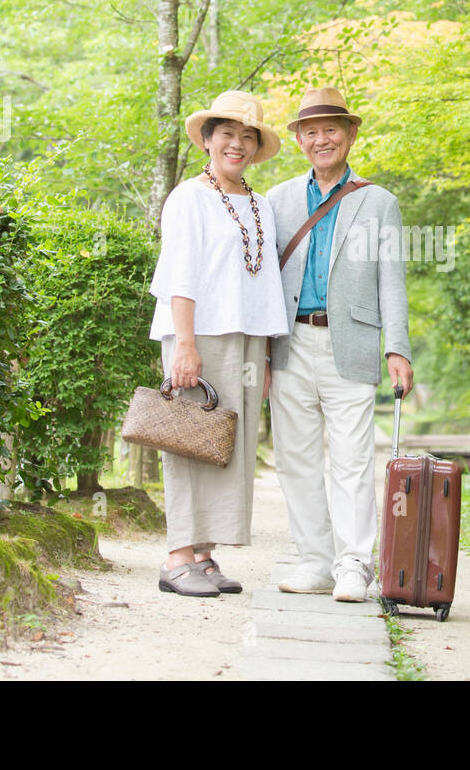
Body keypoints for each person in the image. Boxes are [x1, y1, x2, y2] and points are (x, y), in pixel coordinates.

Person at [267, 87, 414, 602]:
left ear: (351, 134)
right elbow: (262, 278)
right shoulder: (278, 199)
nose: (321, 139)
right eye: (311, 131)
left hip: (350, 341)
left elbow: (391, 280)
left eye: (332, 129)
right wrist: (259, 349)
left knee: (351, 458)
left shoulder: (379, 201)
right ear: (300, 140)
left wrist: (398, 348)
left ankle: (354, 563)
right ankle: (314, 560)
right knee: (295, 456)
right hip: (289, 342)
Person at [148, 90, 288, 597]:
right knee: (187, 441)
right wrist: (184, 344)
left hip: (248, 336)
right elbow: (180, 274)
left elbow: (266, 278)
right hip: (199, 332)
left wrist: (267, 354)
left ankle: (205, 555)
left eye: (247, 137)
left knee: (227, 445)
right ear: (208, 140)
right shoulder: (189, 196)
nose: (237, 144)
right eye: (226, 134)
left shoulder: (260, 204)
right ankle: (176, 557)